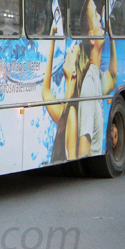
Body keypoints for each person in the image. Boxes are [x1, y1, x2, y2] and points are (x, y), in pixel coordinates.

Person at [42, 23, 89, 162]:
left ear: (74, 72)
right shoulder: (65, 109)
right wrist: (52, 39)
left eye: (72, 51)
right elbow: (45, 91)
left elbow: (73, 159)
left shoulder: (72, 114)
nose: (68, 51)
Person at [77, 0, 117, 157]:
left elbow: (113, 76)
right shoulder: (89, 84)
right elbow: (83, 148)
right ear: (91, 36)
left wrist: (111, 31)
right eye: (96, 15)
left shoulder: (97, 76)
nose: (100, 16)